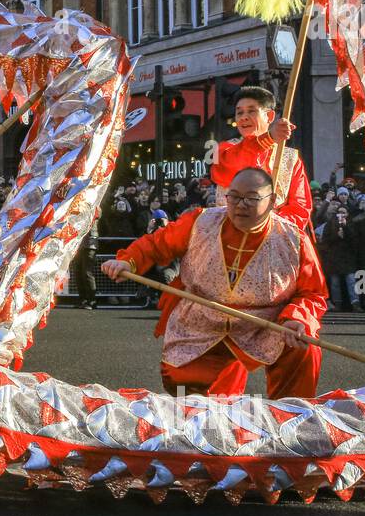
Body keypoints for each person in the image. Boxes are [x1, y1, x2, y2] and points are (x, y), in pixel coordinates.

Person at [102, 167, 327, 399]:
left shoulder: (294, 239)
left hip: (266, 323)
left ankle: (290, 418)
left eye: (251, 198)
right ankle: (214, 412)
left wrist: (297, 318)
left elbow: (313, 293)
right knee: (181, 381)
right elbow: (158, 243)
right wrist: (128, 262)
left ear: (272, 202)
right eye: (234, 196)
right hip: (203, 318)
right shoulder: (201, 220)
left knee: (304, 348)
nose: (240, 204)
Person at [208, 86, 312, 230]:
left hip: (275, 236)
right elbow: (230, 165)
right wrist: (269, 138)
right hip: (230, 234)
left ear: (269, 116)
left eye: (251, 111)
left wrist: (271, 227)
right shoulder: (225, 149)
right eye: (239, 113)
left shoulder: (290, 158)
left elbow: (300, 207)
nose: (244, 117)